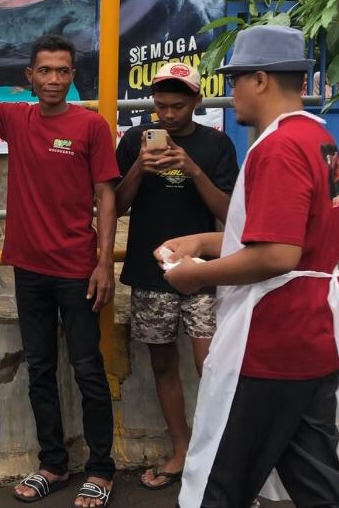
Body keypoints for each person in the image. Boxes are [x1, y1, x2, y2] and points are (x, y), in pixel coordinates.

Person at [160, 25, 339, 508]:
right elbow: (291, 235)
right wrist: (205, 241)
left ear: (260, 79)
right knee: (315, 473)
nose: (232, 96)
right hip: (313, 336)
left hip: (271, 340)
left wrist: (196, 273)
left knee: (219, 476)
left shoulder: (277, 148)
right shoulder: (317, 136)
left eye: (234, 82)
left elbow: (278, 254)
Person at [0, 34, 119, 508]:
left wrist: (103, 263)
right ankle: (52, 464)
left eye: (63, 71)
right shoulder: (17, 117)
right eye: (45, 71)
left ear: (72, 76)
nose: (54, 79)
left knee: (88, 370)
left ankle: (101, 470)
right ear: (28, 78)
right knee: (40, 372)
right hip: (29, 270)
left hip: (78, 270)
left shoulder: (91, 126)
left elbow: (106, 196)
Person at [113, 62, 238, 490]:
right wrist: (138, 169)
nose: (167, 115)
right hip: (151, 275)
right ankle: (182, 450)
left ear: (197, 103)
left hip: (203, 273)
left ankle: (221, 453)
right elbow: (119, 203)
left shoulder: (216, 145)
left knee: (213, 365)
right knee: (163, 365)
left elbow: (228, 214)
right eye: (161, 106)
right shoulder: (134, 141)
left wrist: (193, 169)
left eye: (178, 106)